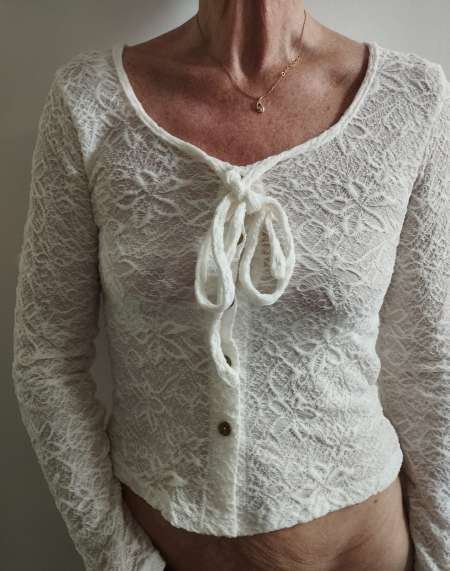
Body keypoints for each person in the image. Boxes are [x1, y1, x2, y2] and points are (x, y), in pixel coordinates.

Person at [11, 1, 449, 570]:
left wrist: (440, 556)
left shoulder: (411, 99)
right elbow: (46, 358)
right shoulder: (89, 101)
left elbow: (432, 365)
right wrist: (118, 558)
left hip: (369, 549)